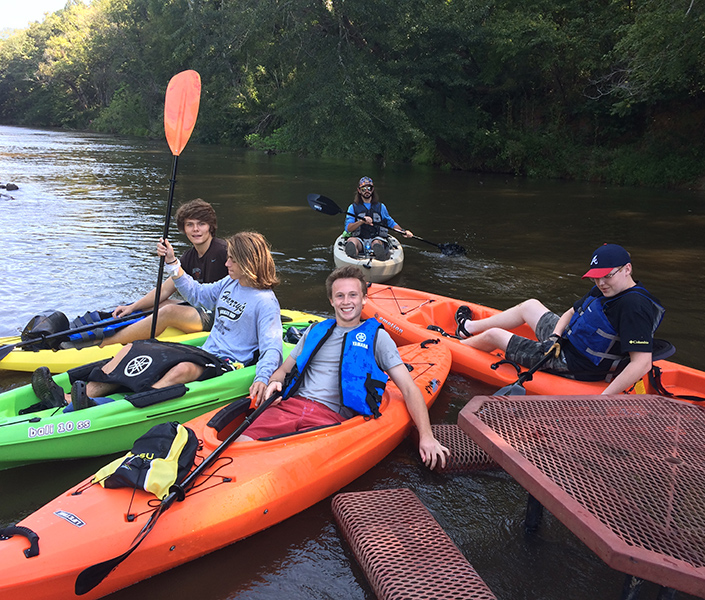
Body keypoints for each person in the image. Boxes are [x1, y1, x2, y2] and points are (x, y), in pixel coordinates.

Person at [32, 231, 283, 411]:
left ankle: (126, 406)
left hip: (230, 364)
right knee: (136, 347)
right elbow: (197, 294)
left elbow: (273, 347)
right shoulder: (231, 282)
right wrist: (173, 263)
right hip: (206, 352)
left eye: (233, 260)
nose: (226, 263)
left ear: (249, 263)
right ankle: (71, 397)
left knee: (183, 369)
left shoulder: (265, 302)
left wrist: (262, 378)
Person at [236, 265, 449, 471]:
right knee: (240, 448)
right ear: (331, 300)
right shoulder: (314, 331)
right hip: (289, 408)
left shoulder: (378, 339)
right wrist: (273, 382)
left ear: (364, 299)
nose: (346, 302)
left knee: (285, 463)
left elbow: (409, 389)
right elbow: (283, 371)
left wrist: (427, 436)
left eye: (353, 295)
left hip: (330, 420)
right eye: (340, 296)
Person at [454, 244, 665, 395]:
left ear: (627, 269)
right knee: (530, 305)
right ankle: (467, 328)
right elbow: (571, 313)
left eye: (607, 275)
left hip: (577, 364)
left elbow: (642, 363)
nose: (600, 282)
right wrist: (555, 335)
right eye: (596, 276)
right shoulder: (605, 289)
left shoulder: (634, 306)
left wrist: (603, 399)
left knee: (494, 336)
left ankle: (455, 347)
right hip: (563, 342)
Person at [100, 199, 229, 347]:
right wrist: (133, 307)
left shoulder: (223, 251)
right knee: (152, 306)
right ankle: (117, 331)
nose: (195, 229)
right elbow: (165, 289)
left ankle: (108, 344)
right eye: (189, 224)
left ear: (210, 226)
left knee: (168, 311)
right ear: (183, 228)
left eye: (201, 224)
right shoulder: (189, 256)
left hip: (220, 316)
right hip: (200, 308)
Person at [344, 176, 413, 261]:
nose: (366, 191)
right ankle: (352, 256)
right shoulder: (352, 208)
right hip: (359, 239)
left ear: (372, 190)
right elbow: (348, 228)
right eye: (363, 189)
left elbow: (390, 223)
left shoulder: (381, 207)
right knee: (352, 241)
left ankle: (379, 254)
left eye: (369, 188)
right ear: (359, 190)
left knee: (376, 243)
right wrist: (361, 221)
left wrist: (403, 231)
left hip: (376, 238)